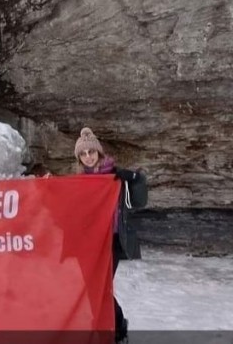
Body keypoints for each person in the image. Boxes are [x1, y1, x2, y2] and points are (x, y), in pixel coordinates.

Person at [74, 127, 147, 344]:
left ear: (99, 153)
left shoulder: (115, 176)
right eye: (83, 154)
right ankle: (105, 324)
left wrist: (134, 178)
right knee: (90, 286)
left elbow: (140, 201)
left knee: (102, 287)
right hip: (90, 242)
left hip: (112, 240)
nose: (88, 157)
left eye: (91, 152)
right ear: (79, 158)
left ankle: (117, 327)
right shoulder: (78, 182)